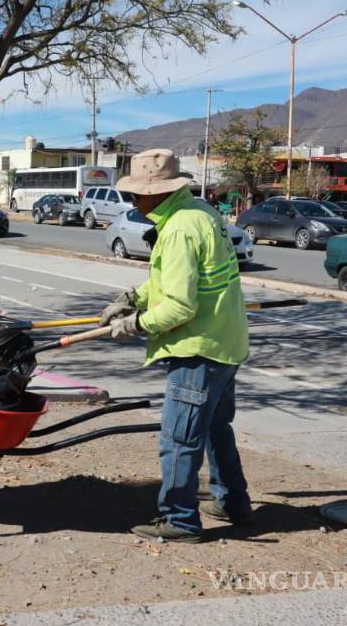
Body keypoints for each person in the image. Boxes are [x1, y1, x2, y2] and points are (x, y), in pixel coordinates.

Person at [99, 148, 251, 543]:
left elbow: (181, 305)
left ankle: (180, 521)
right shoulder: (200, 214)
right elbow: (172, 283)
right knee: (216, 428)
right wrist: (132, 297)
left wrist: (135, 324)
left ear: (158, 192)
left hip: (197, 348)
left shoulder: (181, 229)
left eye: (136, 195)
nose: (133, 202)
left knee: (179, 439)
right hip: (225, 343)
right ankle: (232, 502)